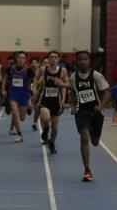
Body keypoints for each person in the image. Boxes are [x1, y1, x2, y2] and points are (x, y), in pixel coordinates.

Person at [70, 50, 111, 182]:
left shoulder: (96, 76)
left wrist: (101, 106)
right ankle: (87, 170)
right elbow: (72, 93)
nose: (82, 61)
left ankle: (94, 133)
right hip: (81, 112)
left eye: (85, 59)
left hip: (96, 113)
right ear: (77, 62)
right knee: (84, 138)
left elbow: (107, 93)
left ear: (89, 61)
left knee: (95, 142)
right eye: (80, 59)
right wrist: (72, 105)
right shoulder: (73, 77)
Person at [37, 51, 68, 155]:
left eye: (55, 57)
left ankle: (52, 143)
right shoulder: (43, 69)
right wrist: (34, 89)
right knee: (46, 118)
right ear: (48, 59)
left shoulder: (63, 70)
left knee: (55, 127)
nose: (53, 59)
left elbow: (68, 84)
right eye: (51, 57)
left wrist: (62, 85)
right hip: (45, 99)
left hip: (56, 101)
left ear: (58, 59)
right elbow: (35, 79)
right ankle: (46, 129)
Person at [5, 51, 34, 143]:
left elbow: (32, 82)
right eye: (19, 57)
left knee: (22, 118)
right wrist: (3, 90)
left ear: (25, 59)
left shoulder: (28, 70)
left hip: (24, 94)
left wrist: (30, 97)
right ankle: (19, 134)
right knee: (14, 113)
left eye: (23, 58)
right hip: (13, 93)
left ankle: (28, 108)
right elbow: (6, 79)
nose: (21, 59)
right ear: (16, 58)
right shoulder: (11, 68)